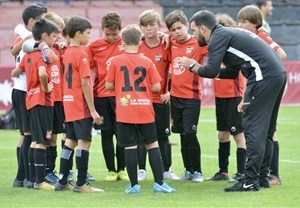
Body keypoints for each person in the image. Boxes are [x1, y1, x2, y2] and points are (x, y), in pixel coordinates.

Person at [180, 10, 286, 192]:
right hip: (276, 74)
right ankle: (261, 178)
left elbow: (211, 71)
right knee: (267, 131)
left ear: (203, 28)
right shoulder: (227, 33)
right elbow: (230, 72)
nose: (193, 34)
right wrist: (199, 68)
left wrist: (192, 66)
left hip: (263, 76)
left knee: (253, 128)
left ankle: (250, 180)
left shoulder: (217, 37)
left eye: (193, 30)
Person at [105, 24, 176, 194]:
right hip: (145, 108)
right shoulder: (146, 61)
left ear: (122, 41)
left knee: (129, 147)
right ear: (139, 41)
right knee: (152, 145)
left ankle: (134, 185)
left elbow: (108, 85)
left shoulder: (116, 61)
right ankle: (159, 183)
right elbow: (158, 86)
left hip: (125, 109)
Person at [237, 4, 287, 186]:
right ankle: (266, 175)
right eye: (239, 22)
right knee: (267, 131)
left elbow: (281, 54)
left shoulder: (261, 36)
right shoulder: (251, 38)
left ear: (256, 24)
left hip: (268, 83)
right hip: (262, 85)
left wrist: (265, 70)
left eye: (244, 22)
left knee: (267, 131)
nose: (240, 25)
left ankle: (273, 174)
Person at [54, 16, 103, 193]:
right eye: (88, 33)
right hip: (80, 105)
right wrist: (93, 110)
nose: (89, 36)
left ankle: (61, 180)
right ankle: (81, 183)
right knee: (84, 142)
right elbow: (84, 83)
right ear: (78, 33)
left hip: (68, 104)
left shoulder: (66, 52)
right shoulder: (81, 55)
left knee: (70, 141)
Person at [11, 17, 59, 190]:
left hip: (30, 98)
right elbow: (43, 74)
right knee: (42, 141)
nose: (55, 40)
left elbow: (15, 72)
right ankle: (39, 181)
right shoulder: (43, 54)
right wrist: (46, 88)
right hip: (42, 100)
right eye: (54, 36)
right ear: (45, 36)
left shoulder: (29, 54)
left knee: (33, 140)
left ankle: (31, 179)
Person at [164, 10, 208, 182]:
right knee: (182, 134)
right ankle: (188, 170)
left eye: (179, 28)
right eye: (172, 30)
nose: (176, 32)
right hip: (175, 97)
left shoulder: (198, 43)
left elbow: (214, 51)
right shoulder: (171, 43)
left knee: (191, 133)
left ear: (187, 26)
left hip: (192, 97)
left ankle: (198, 171)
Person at [136, 9, 180, 181]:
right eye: (144, 25)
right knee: (141, 135)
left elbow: (176, 69)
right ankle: (141, 169)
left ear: (159, 26)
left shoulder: (166, 45)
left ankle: (166, 169)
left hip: (161, 98)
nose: (148, 29)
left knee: (163, 135)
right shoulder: (137, 46)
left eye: (152, 25)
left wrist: (170, 91)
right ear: (141, 27)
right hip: (141, 100)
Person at [206, 13, 246, 182]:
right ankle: (223, 171)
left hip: (233, 95)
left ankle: (242, 172)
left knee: (239, 134)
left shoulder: (233, 49)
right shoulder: (214, 47)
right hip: (220, 96)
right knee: (222, 135)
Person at [11, 3, 47, 188]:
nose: (45, 23)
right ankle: (25, 176)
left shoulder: (23, 37)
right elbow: (16, 50)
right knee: (29, 135)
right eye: (43, 19)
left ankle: (21, 176)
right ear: (32, 21)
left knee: (25, 134)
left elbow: (14, 51)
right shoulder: (26, 39)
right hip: (25, 91)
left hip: (20, 90)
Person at [88, 12, 128, 182]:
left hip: (122, 97)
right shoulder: (94, 46)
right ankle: (111, 170)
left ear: (121, 30)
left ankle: (122, 169)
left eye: (115, 34)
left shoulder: (127, 42)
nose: (112, 37)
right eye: (108, 34)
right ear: (102, 29)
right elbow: (91, 67)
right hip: (101, 96)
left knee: (122, 134)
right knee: (106, 134)